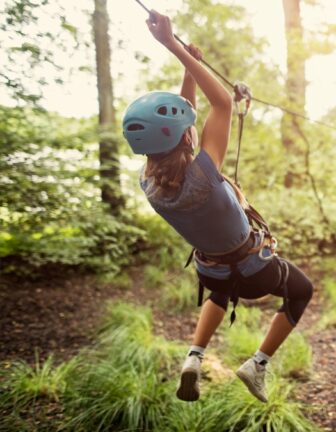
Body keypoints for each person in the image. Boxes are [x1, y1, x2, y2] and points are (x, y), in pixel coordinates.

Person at [122, 10, 313, 403]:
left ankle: (194, 357)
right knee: (301, 291)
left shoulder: (150, 183)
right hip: (254, 268)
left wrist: (189, 73)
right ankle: (257, 365)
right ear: (184, 139)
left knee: (219, 292)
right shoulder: (203, 175)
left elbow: (185, 127)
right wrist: (172, 45)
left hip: (211, 269)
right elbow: (221, 104)